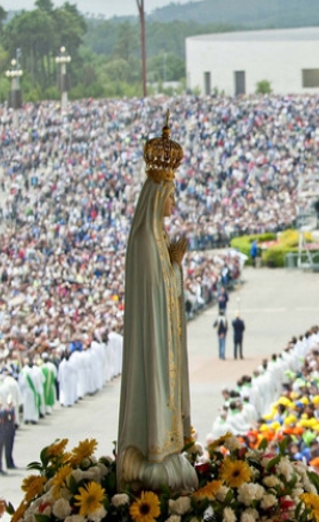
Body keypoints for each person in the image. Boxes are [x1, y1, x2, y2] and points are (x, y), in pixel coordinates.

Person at [116, 115, 197, 492]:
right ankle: (154, 452)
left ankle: (170, 450)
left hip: (165, 338)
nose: (173, 204)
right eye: (170, 197)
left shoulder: (158, 237)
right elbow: (154, 293)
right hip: (154, 339)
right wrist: (174, 267)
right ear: (157, 197)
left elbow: (166, 286)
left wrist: (175, 266)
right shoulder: (146, 241)